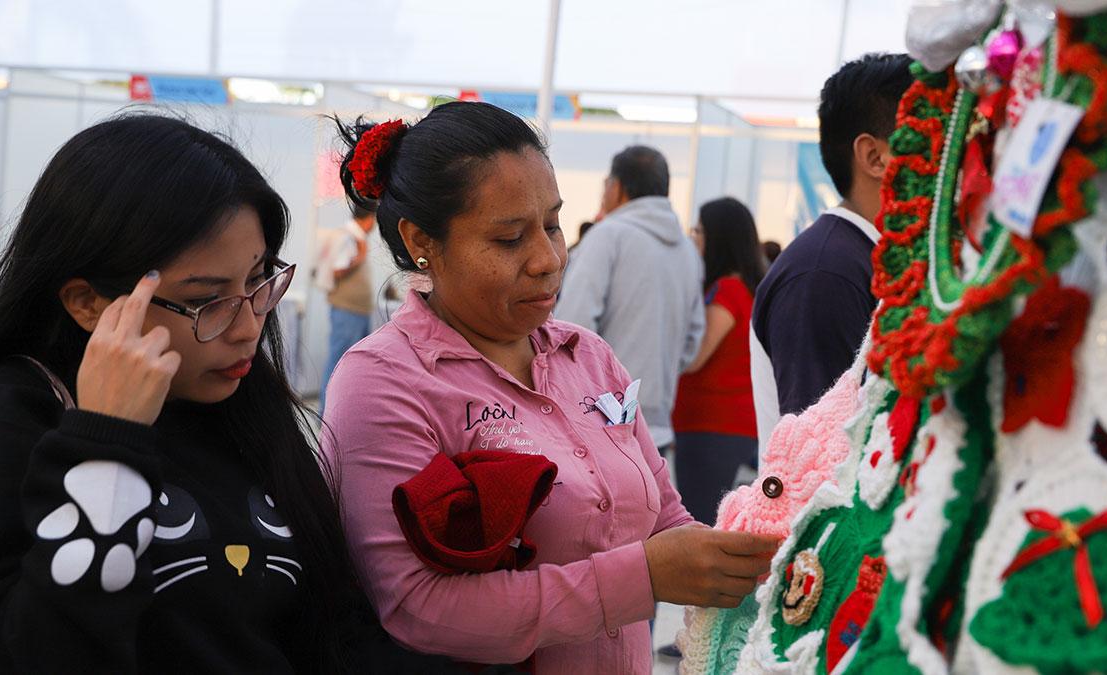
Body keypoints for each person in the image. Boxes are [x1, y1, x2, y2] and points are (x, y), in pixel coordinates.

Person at [0, 114, 452, 673]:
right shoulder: (12, 413)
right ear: (88, 303)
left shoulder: (238, 399)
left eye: (257, 280)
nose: (248, 326)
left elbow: (336, 624)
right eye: (206, 300)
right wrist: (107, 442)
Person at [321, 102, 776, 674]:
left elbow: (662, 518)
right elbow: (419, 606)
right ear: (422, 242)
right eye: (510, 238)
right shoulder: (385, 383)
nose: (549, 259)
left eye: (554, 224)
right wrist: (646, 576)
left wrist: (751, 546)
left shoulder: (586, 356)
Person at [751, 53, 914, 444]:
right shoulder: (824, 272)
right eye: (930, 141)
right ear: (875, 157)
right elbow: (823, 455)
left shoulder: (870, 258)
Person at [556, 146, 705, 454]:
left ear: (618, 187)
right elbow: (692, 340)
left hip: (600, 419)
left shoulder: (608, 236)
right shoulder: (688, 251)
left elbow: (572, 324)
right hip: (658, 425)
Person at [672, 197, 766, 527]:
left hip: (711, 427)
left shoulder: (726, 290)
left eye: (698, 231)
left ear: (718, 238)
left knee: (701, 521)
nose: (694, 239)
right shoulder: (747, 288)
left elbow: (695, 357)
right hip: (726, 427)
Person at [317, 200, 378, 408]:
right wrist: (359, 257)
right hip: (347, 311)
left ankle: (345, 411)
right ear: (370, 220)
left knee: (355, 366)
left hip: (357, 312)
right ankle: (326, 414)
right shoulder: (348, 237)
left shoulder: (356, 238)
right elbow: (336, 269)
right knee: (338, 362)